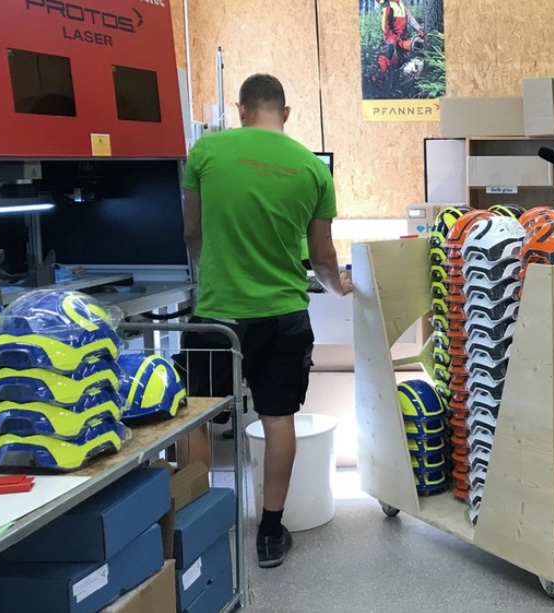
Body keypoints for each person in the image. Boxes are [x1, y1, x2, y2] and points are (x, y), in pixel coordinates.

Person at [181, 73, 352, 568]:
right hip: (282, 315)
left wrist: (210, 275)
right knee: (278, 419)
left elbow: (191, 230)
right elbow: (321, 254)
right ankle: (271, 534)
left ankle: (198, 524)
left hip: (217, 314)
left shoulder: (206, 153)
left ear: (241, 110)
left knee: (197, 415)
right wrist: (338, 286)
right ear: (286, 113)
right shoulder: (313, 169)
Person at [371, 0, 425, 83]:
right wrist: (393, 37)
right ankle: (377, 79)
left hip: (402, 38)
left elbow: (410, 18)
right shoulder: (388, 6)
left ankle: (400, 78)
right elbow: (384, 27)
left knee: (404, 55)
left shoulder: (401, 6)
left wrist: (419, 29)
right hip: (391, 38)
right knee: (386, 56)